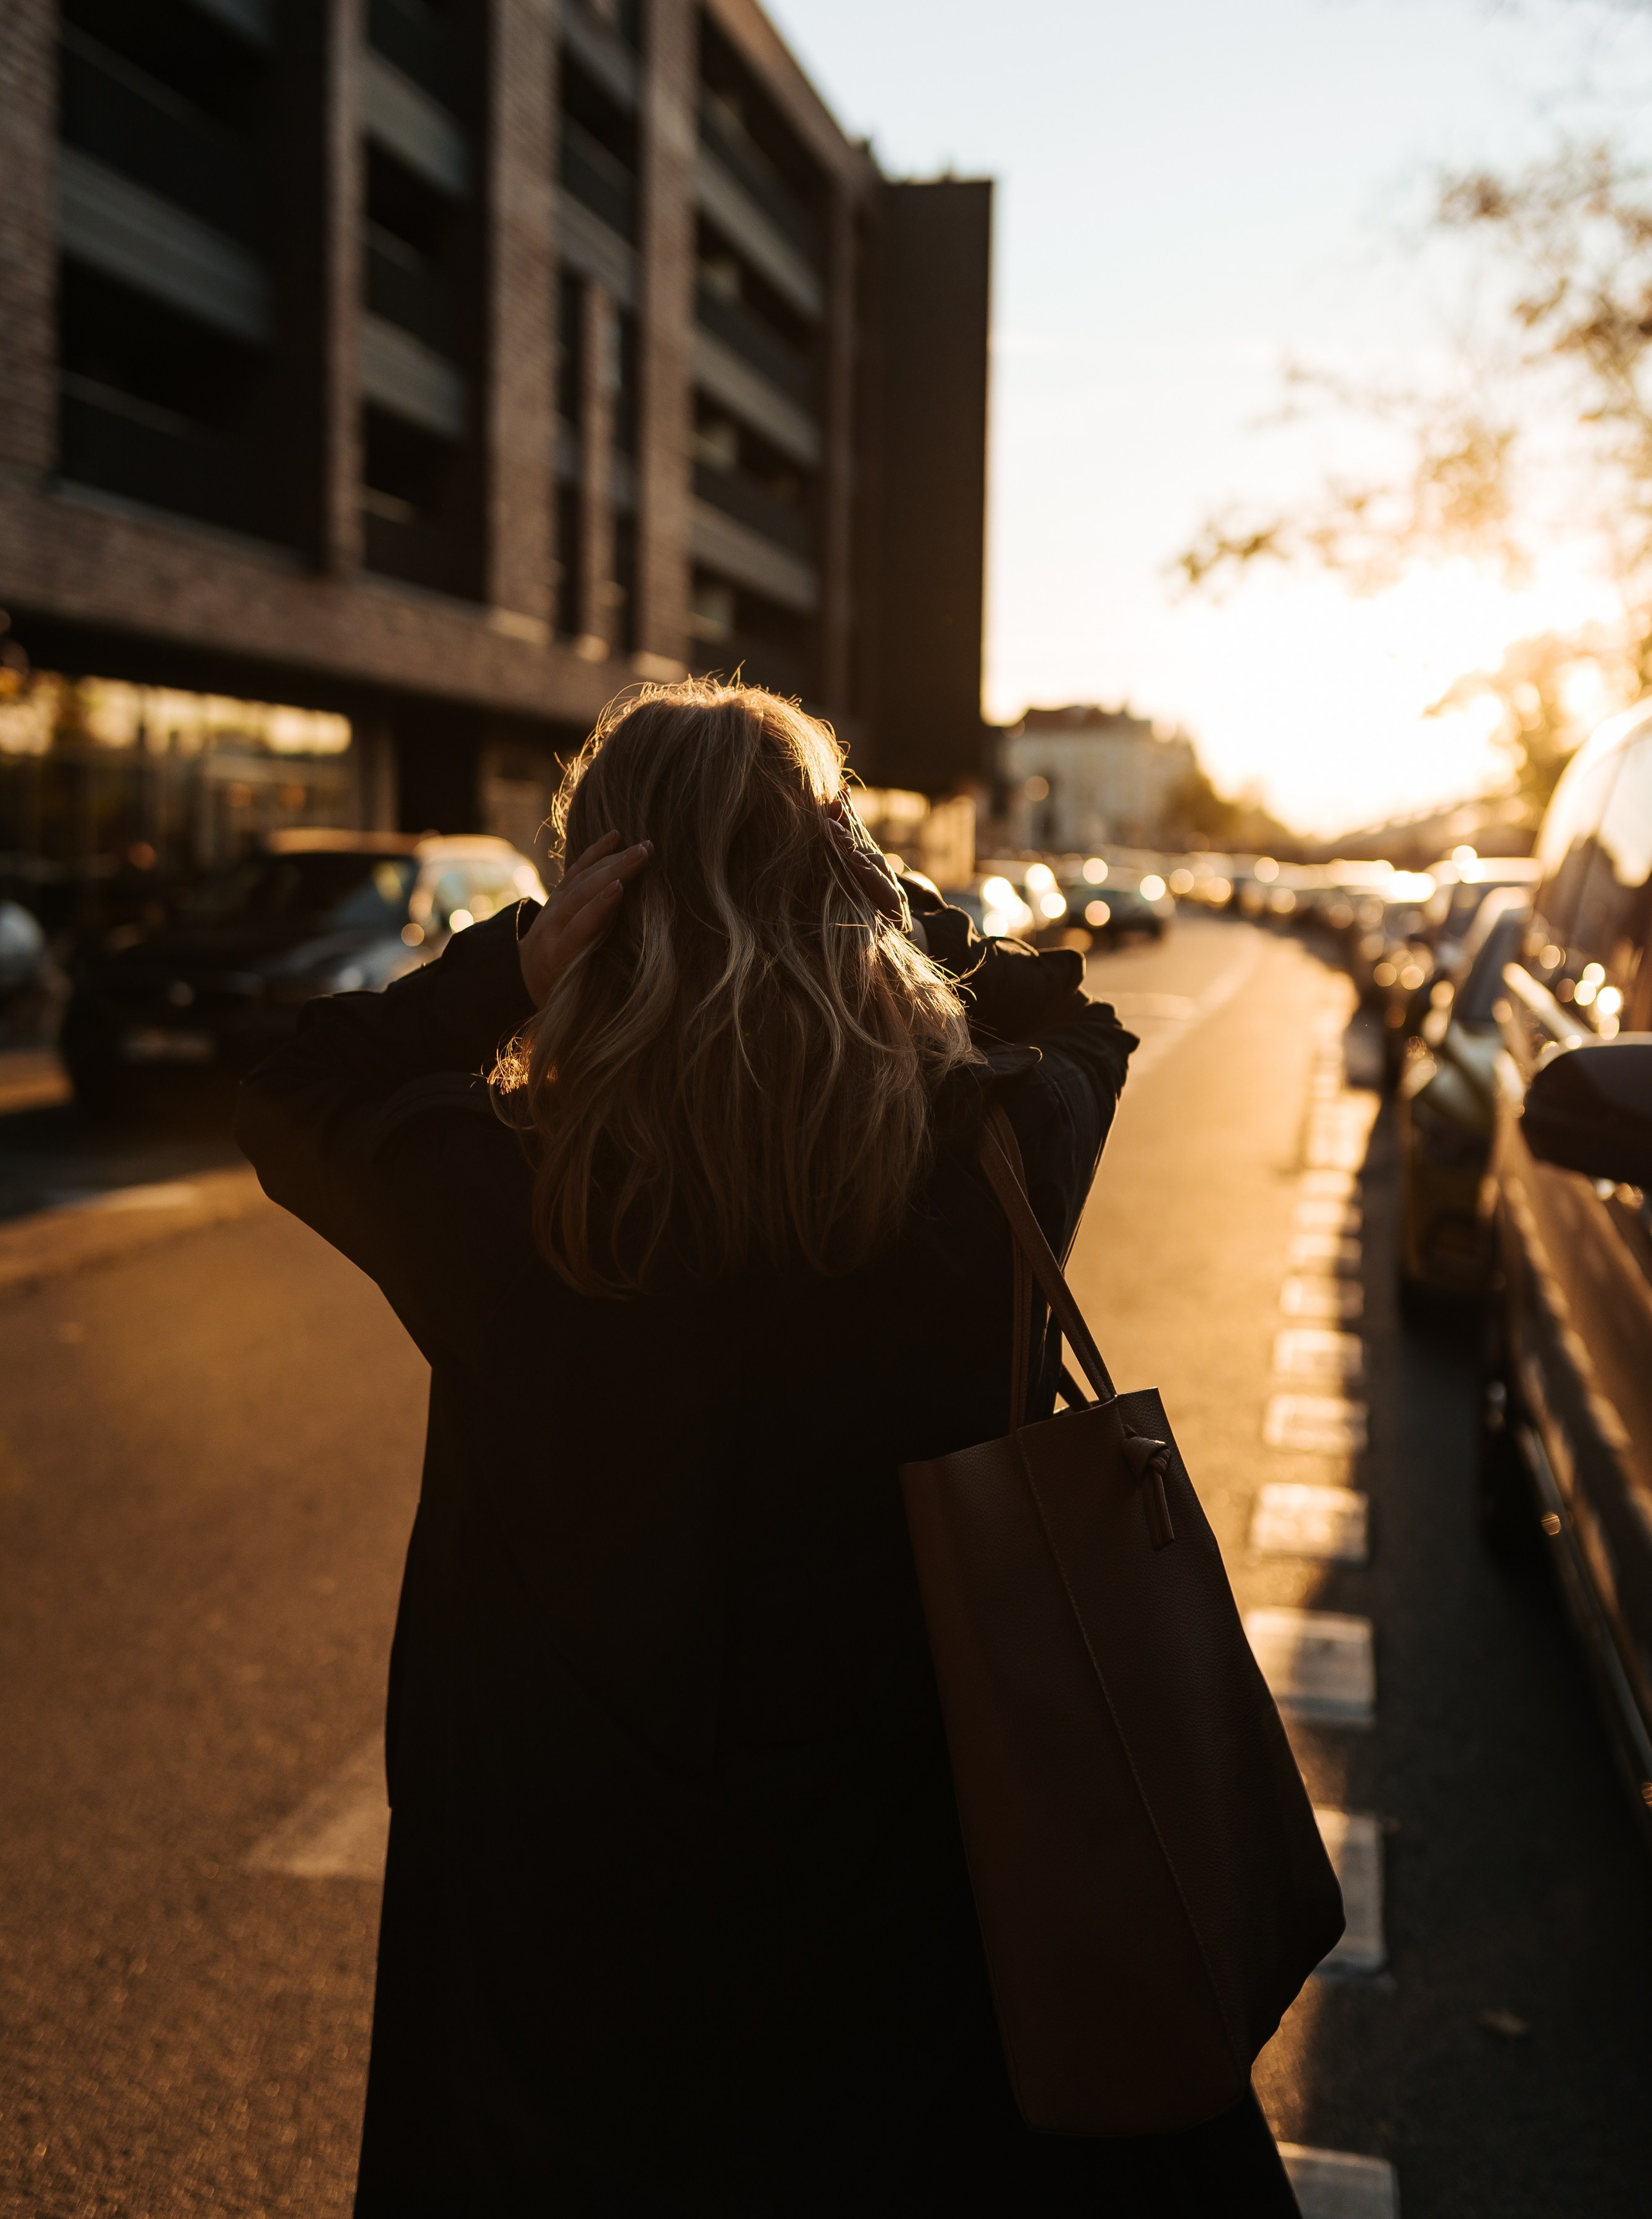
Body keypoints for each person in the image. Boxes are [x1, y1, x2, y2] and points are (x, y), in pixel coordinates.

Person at [236, 678, 1297, 2214]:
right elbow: (1077, 1020)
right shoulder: (984, 1154)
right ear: (836, 875)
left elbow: (291, 1083)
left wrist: (513, 973)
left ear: (594, 884)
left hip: (567, 1961)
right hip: (913, 1946)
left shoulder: (507, 1193)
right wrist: (894, 903)